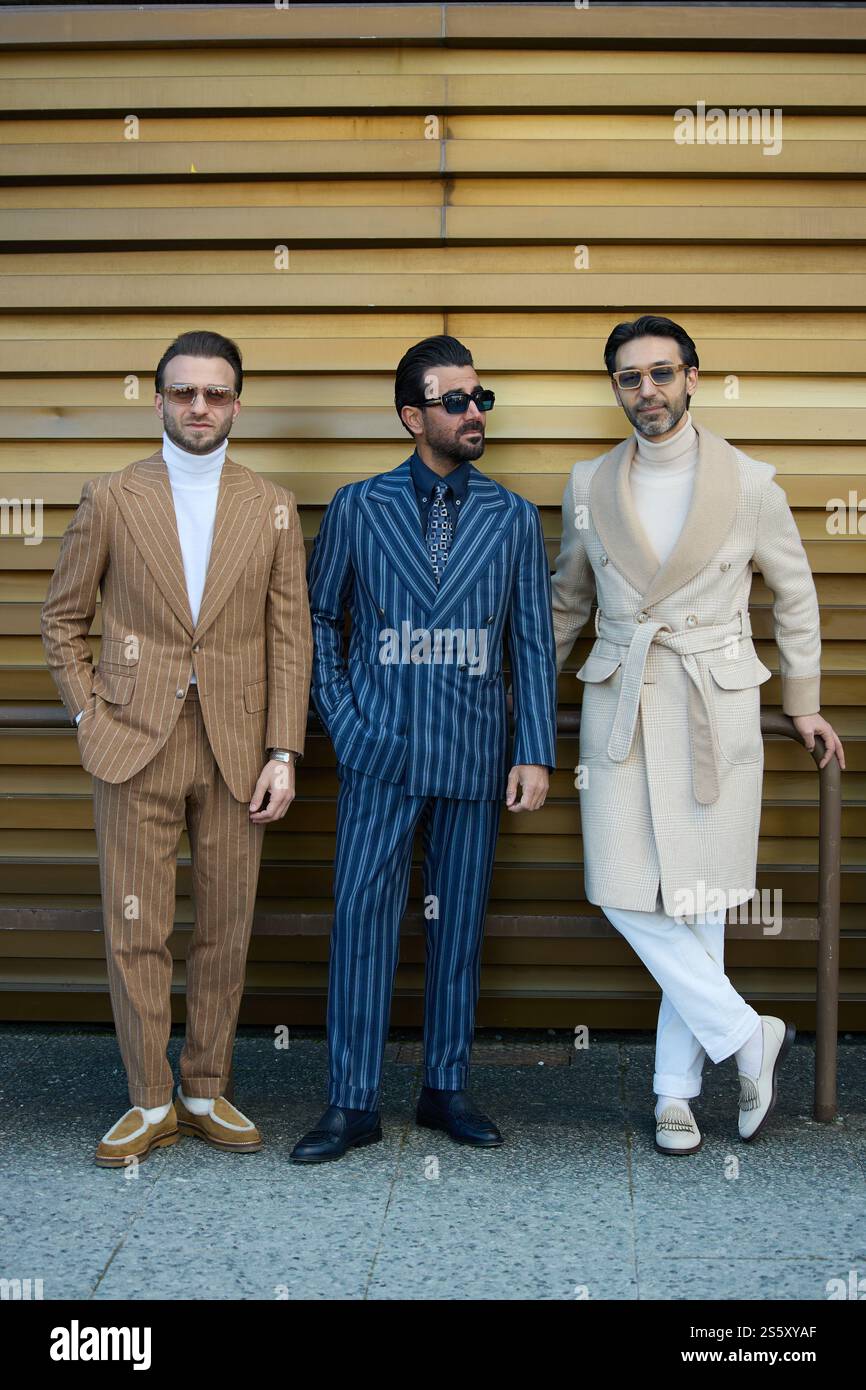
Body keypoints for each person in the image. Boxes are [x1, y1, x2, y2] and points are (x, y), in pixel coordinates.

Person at [550, 315, 845, 1155]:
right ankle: (749, 1035)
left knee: (697, 899)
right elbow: (567, 601)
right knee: (618, 887)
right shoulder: (587, 482)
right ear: (616, 389)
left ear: (691, 377)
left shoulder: (750, 482)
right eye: (630, 378)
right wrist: (524, 705)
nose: (647, 390)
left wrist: (803, 699)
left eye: (661, 373)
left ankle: (674, 1095)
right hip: (621, 701)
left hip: (714, 704)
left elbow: (794, 594)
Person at [41, 330, 312, 1167]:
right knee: (138, 928)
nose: (201, 406)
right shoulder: (113, 497)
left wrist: (285, 751)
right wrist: (88, 716)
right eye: (185, 392)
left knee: (225, 927)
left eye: (217, 392)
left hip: (239, 748)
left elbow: (289, 639)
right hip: (132, 742)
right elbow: (61, 620)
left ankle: (205, 1088)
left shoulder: (270, 504)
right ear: (157, 398)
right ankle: (148, 1098)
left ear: (238, 402)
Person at [291, 334, 557, 1162]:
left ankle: (445, 1089)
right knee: (362, 923)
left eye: (481, 399)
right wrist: (346, 723)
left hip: (476, 758)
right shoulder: (356, 507)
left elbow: (533, 645)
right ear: (413, 416)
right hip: (380, 754)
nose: (474, 412)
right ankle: (352, 1101)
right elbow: (317, 624)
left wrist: (535, 751)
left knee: (460, 927)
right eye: (456, 401)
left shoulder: (511, 518)